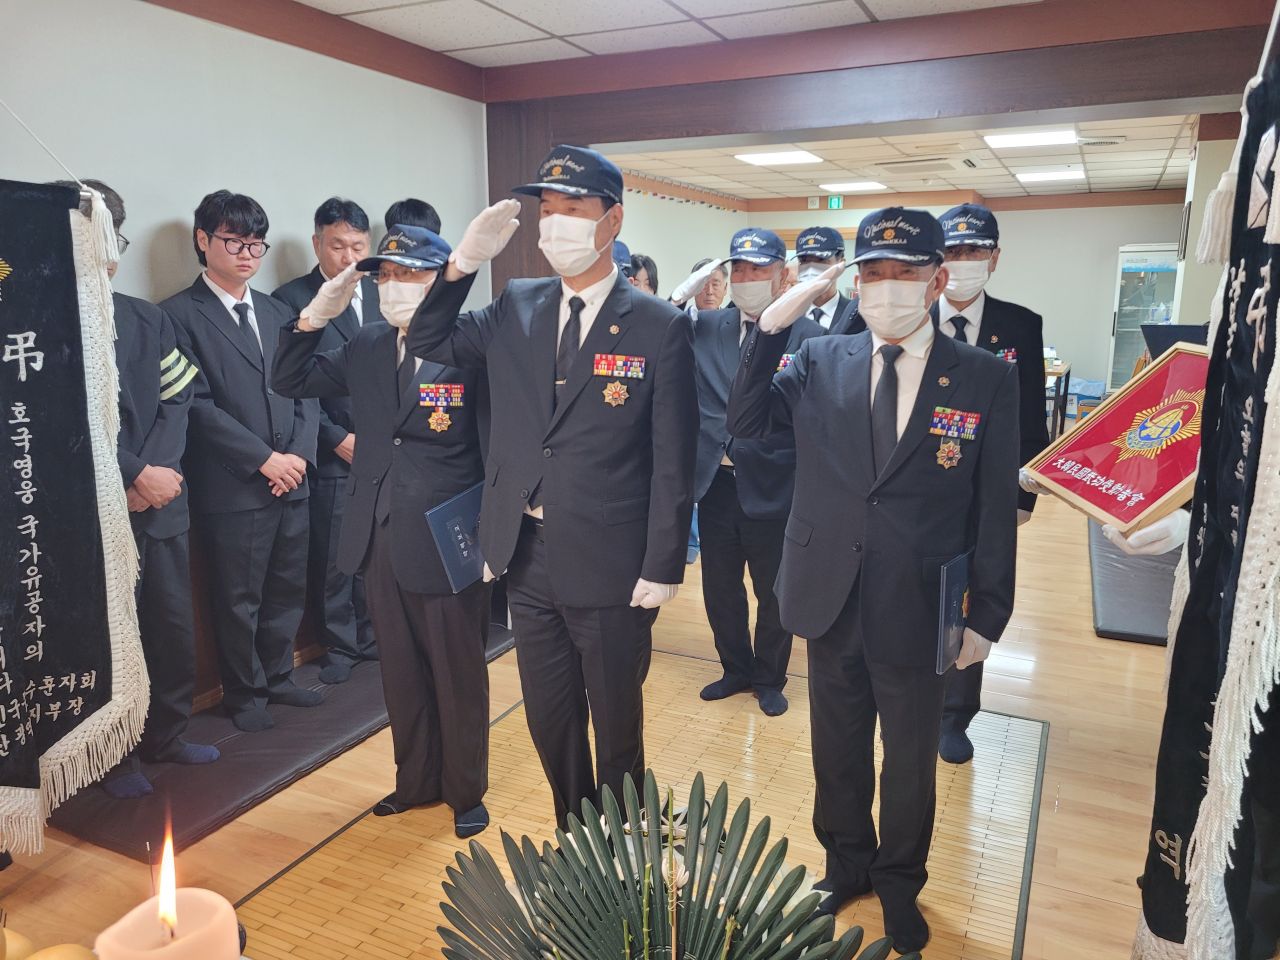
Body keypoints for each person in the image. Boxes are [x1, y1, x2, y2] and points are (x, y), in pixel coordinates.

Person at [726, 207, 1018, 954]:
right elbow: (746, 425)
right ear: (855, 283)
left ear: (937, 280)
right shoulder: (820, 358)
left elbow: (993, 506)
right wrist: (770, 332)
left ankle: (898, 883)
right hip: (828, 591)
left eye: (905, 272)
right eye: (874, 273)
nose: (888, 287)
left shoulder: (984, 377)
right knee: (838, 748)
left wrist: (987, 615)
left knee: (911, 760)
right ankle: (846, 864)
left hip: (920, 602)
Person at [406, 144, 698, 828]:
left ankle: (622, 846)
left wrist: (664, 563)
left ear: (612, 219)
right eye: (548, 210)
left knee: (616, 723)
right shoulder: (518, 303)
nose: (555, 223)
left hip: (613, 560)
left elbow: (673, 458)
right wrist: (461, 265)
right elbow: (428, 339)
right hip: (525, 552)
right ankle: (577, 836)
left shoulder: (658, 325)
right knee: (549, 713)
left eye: (573, 208)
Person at [272, 224, 491, 838]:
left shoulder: (470, 345)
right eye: (386, 276)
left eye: (409, 274)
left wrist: (500, 533)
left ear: (441, 281)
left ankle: (465, 791)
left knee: (456, 670)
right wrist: (312, 318)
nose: (393, 286)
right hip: (377, 529)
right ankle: (415, 780)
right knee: (399, 669)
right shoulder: (367, 343)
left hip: (448, 534)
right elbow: (289, 381)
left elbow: (495, 439)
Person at [58, 180, 218, 798]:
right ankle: (112, 758)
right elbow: (57, 423)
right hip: (91, 510)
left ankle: (166, 735)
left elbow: (179, 399)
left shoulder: (146, 318)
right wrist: (130, 474)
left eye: (113, 241)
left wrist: (155, 474)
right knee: (107, 636)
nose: (106, 255)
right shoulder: (36, 326)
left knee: (170, 626)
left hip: (161, 504)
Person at [162, 190, 321, 733]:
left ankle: (278, 677)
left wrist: (297, 455)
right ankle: (244, 693)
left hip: (292, 478)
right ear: (203, 240)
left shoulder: (278, 311)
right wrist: (263, 460)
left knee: (286, 588)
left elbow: (306, 389)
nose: (247, 254)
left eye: (256, 244)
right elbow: (196, 405)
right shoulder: (176, 315)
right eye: (234, 242)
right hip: (234, 484)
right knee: (238, 598)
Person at [934, 203, 1050, 764]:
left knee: (973, 596)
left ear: (994, 258)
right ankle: (912, 696)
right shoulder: (909, 316)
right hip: (922, 487)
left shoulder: (1021, 324)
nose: (963, 261)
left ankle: (956, 714)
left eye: (974, 251)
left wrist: (1022, 496)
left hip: (989, 492)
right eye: (952, 251)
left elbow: (1032, 416)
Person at [693, 228, 823, 717]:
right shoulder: (708, 326)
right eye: (740, 269)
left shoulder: (809, 336)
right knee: (720, 587)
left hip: (775, 483)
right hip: (715, 482)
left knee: (773, 590)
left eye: (759, 269)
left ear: (782, 275)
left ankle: (770, 676)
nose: (747, 277)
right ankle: (735, 668)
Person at [272, 198, 381, 685]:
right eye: (337, 245)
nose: (348, 256)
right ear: (317, 243)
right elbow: (291, 384)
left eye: (358, 245)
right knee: (336, 556)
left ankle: (373, 635)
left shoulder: (382, 290)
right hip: (333, 447)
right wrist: (335, 438)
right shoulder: (292, 298)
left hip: (383, 449)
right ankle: (340, 645)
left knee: (377, 550)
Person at [794, 226, 863, 334]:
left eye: (821, 260)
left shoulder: (856, 316)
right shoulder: (789, 315)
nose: (811, 268)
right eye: (804, 261)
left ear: (841, 264)